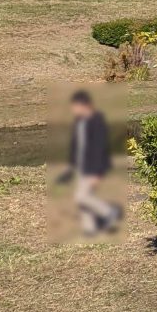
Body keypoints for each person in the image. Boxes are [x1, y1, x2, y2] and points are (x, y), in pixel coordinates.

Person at [57, 90, 121, 235]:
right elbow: (75, 145)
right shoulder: (79, 121)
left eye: (74, 106)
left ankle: (109, 212)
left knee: (81, 196)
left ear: (83, 105)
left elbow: (100, 149)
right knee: (81, 198)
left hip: (92, 168)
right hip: (80, 166)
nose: (72, 110)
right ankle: (89, 228)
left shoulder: (97, 121)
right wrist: (70, 166)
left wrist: (97, 173)